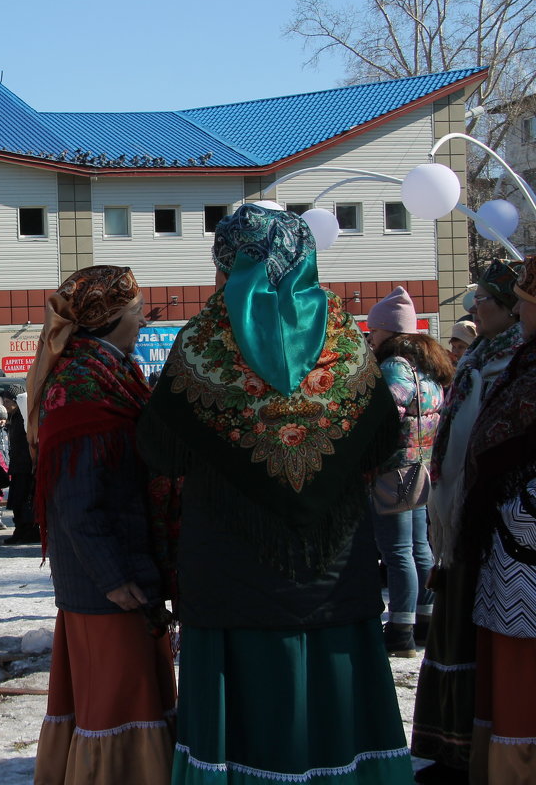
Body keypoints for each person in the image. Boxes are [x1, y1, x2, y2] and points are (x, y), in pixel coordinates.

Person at [137, 205, 410, 784]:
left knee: (242, 726)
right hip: (334, 569)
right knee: (338, 714)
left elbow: (158, 449)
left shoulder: (200, 341)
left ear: (229, 264)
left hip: (230, 565)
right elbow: (386, 444)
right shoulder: (347, 341)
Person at [28, 265, 175, 784]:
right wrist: (114, 577)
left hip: (119, 574)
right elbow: (77, 500)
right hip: (107, 585)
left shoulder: (108, 371)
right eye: (137, 312)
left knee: (123, 699)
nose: (142, 321)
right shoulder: (83, 385)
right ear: (114, 317)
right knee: (117, 703)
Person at [413, 258, 526, 782]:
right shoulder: (484, 356)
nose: (474, 306)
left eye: (486, 299)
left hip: (498, 529)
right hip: (464, 519)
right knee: (457, 625)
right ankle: (451, 744)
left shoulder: (512, 362)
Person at [458, 254, 536, 784]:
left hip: (524, 548)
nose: (523, 313)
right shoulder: (523, 360)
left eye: (526, 304)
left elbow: (500, 441)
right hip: (514, 543)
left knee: (522, 676)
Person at [365, 287, 454, 657]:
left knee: (397, 551)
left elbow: (383, 415)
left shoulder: (393, 368)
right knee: (420, 549)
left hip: (393, 473)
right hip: (421, 469)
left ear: (388, 330)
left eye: (374, 331)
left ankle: (399, 628)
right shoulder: (429, 369)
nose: (371, 337)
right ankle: (424, 620)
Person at [0, 386, 39, 545]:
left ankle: (28, 531)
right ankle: (21, 530)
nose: (6, 405)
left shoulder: (24, 419)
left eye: (9, 402)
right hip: (18, 466)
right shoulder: (14, 418)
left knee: (24, 501)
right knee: (18, 502)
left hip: (26, 467)